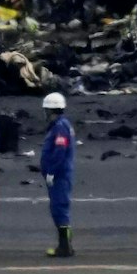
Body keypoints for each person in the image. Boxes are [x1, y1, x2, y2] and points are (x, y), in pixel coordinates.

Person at [40, 91, 76, 259]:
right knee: (60, 209)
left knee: (59, 209)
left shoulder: (60, 127)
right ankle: (66, 245)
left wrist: (52, 172)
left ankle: (65, 247)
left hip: (60, 175)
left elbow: (59, 151)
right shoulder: (62, 125)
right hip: (61, 174)